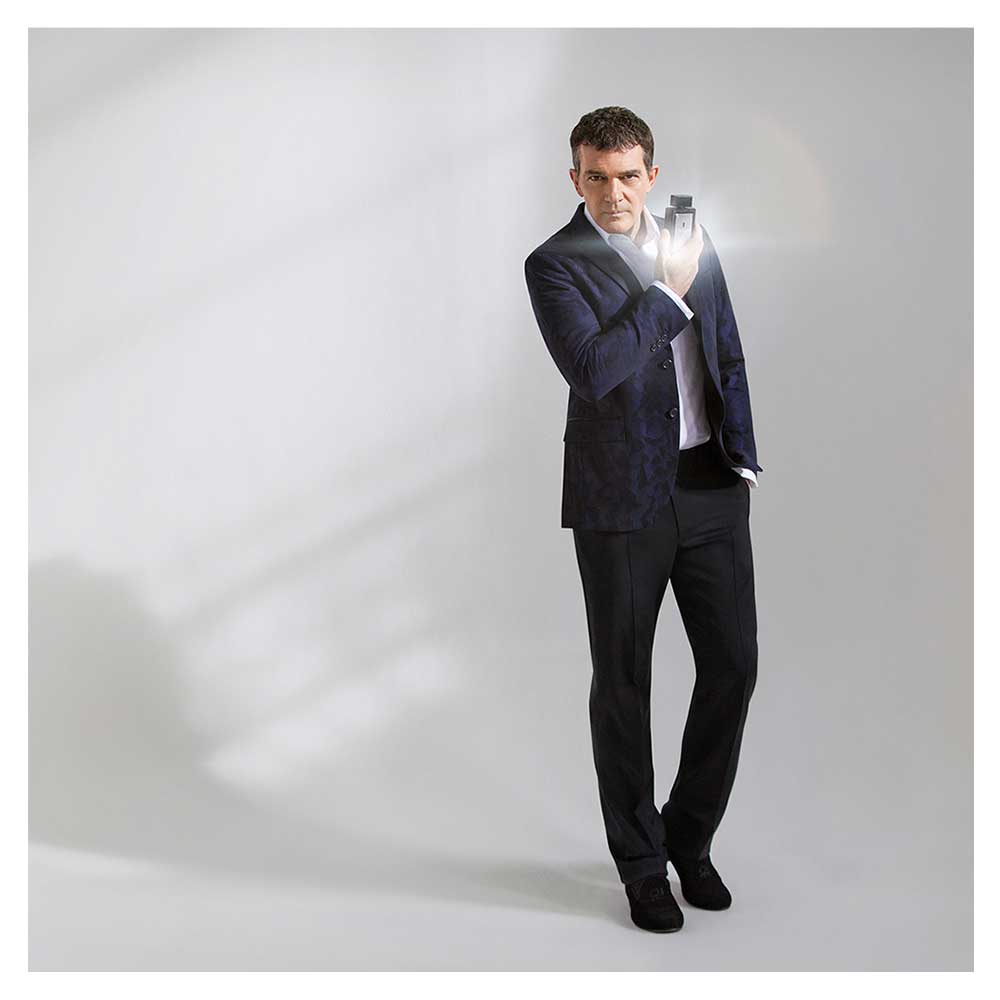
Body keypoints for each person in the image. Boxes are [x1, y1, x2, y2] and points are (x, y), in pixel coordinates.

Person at [523, 106, 763, 933]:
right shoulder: (554, 264)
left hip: (710, 487)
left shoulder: (693, 237)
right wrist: (667, 292)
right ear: (575, 177)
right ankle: (640, 864)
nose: (614, 192)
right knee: (624, 683)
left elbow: (726, 347)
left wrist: (742, 455)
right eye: (596, 176)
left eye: (628, 176)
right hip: (620, 498)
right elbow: (594, 369)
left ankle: (687, 838)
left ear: (651, 176)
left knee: (734, 665)